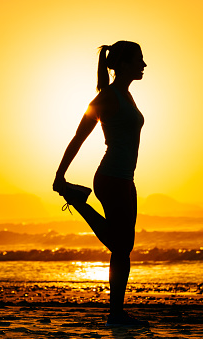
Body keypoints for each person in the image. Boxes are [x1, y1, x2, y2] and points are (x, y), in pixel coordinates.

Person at [53, 41, 149, 327]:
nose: (143, 65)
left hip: (124, 178)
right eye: (138, 60)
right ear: (122, 64)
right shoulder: (107, 97)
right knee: (122, 246)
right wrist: (60, 175)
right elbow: (78, 137)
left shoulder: (126, 95)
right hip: (110, 178)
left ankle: (116, 314)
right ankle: (116, 315)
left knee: (123, 246)